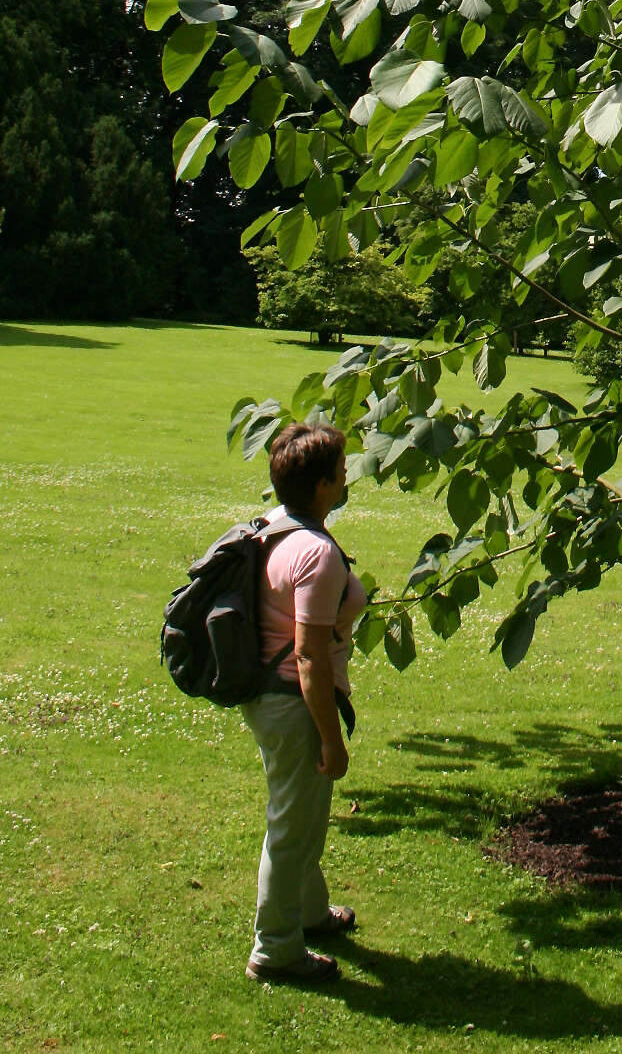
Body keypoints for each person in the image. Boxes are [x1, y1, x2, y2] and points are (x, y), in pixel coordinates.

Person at [242, 420, 367, 985]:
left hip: (269, 696)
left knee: (303, 818)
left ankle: (310, 914)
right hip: (296, 701)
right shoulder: (315, 553)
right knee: (292, 827)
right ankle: (276, 951)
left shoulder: (272, 526)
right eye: (340, 472)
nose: (346, 478)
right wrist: (331, 739)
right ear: (321, 485)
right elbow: (310, 655)